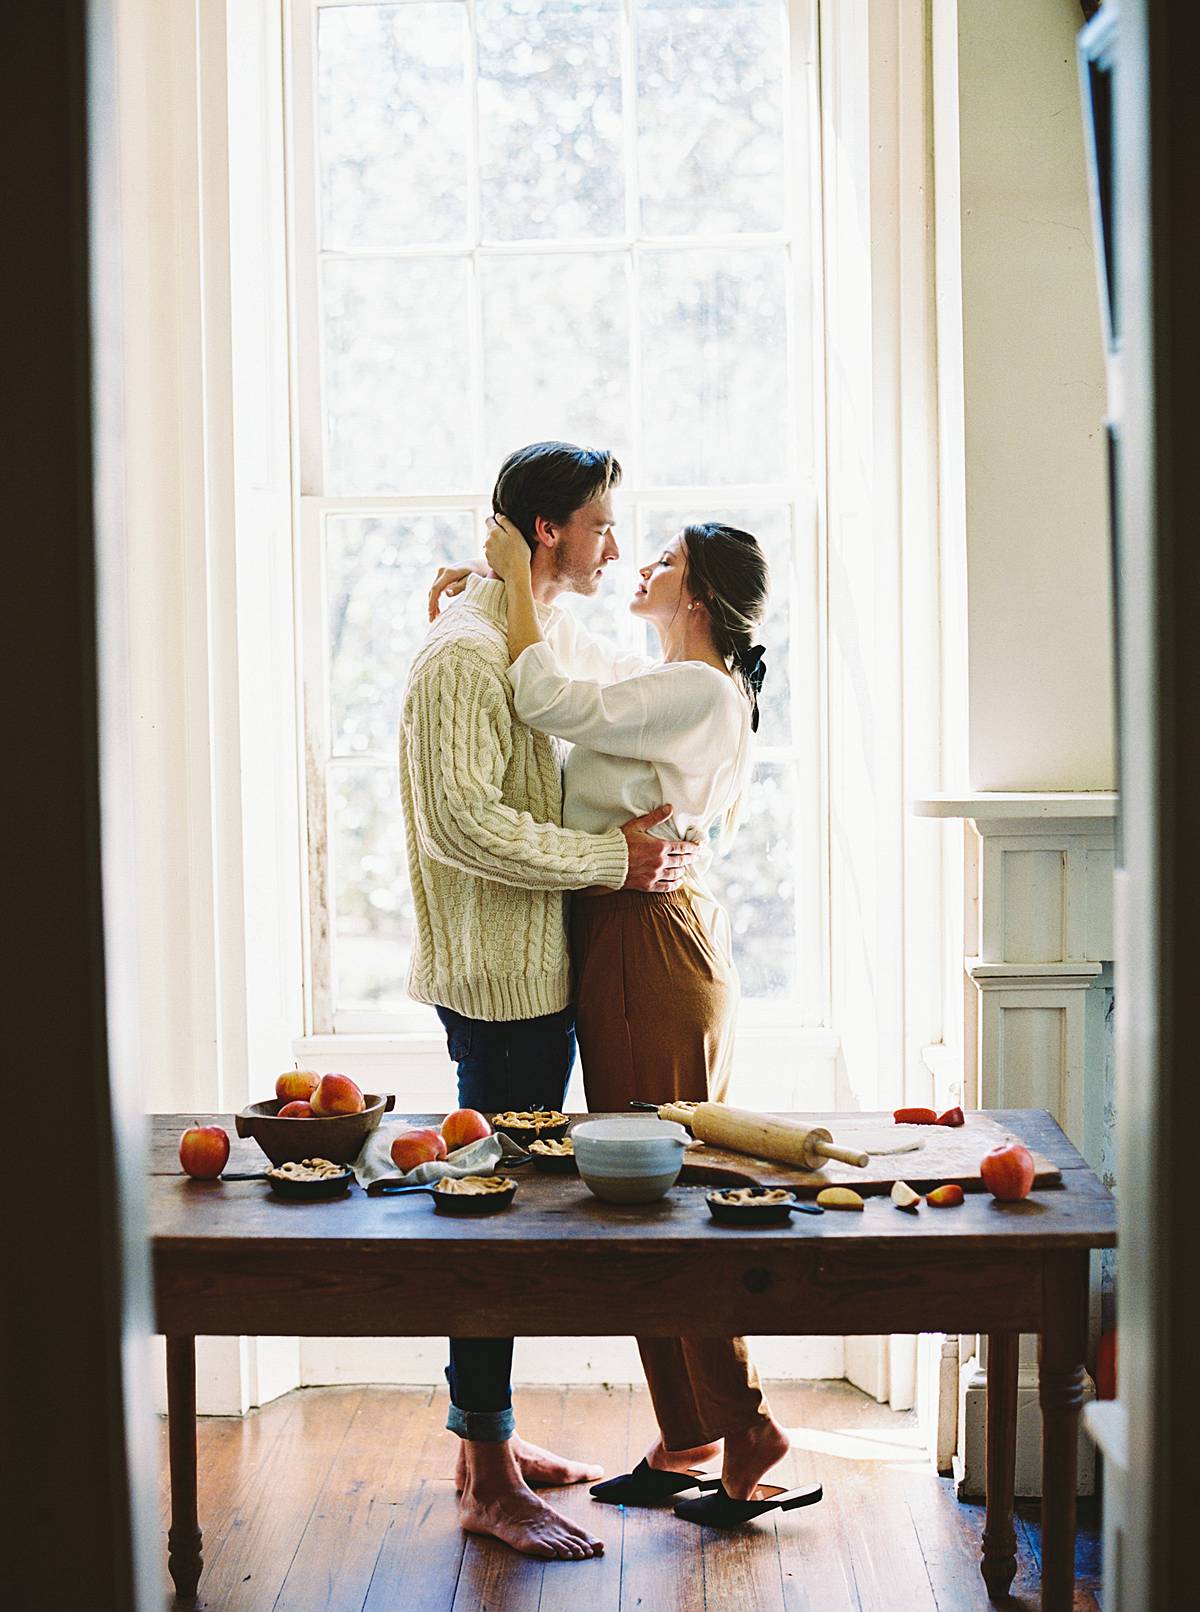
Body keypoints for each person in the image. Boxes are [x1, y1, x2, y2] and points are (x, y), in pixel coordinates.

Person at [480, 511, 822, 1527]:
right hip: (636, 940)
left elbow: (544, 690)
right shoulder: (676, 685)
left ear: (701, 595)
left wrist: (509, 575)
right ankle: (691, 1431)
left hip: (647, 943)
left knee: (662, 1198)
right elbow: (573, 673)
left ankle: (746, 1427)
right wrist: (499, 594)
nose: (645, 565)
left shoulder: (696, 688)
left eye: (666, 559)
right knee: (640, 1195)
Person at [398, 441, 699, 1560]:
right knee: (496, 1228)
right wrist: (611, 863)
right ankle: (485, 1476)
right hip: (504, 983)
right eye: (602, 525)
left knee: (506, 1213)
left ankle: (491, 1442)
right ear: (544, 532)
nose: (616, 546)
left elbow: (574, 700)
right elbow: (464, 826)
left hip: (537, 968)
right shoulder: (460, 656)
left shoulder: (508, 633)